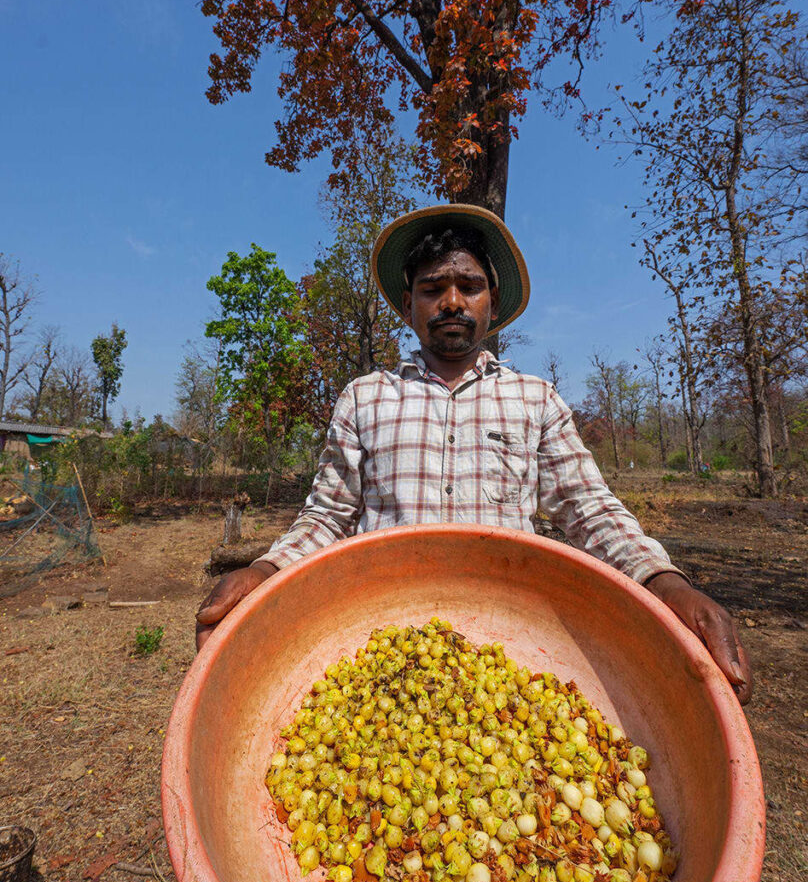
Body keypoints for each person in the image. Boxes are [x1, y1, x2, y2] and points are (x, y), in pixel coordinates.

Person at [196, 205, 751, 703]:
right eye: (433, 288)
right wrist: (264, 569)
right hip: (382, 653)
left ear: (493, 302)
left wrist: (666, 582)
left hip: (509, 656)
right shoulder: (366, 397)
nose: (453, 301)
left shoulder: (534, 398)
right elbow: (328, 517)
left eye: (470, 285)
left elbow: (590, 510)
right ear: (410, 305)